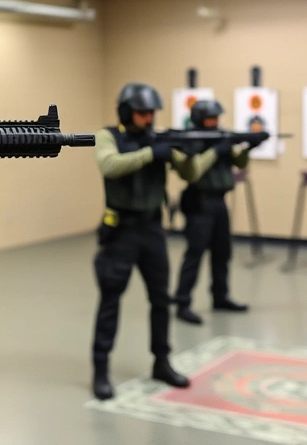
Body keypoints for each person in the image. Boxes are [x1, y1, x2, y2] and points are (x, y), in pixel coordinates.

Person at [90, 83, 193, 400]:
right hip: (121, 230)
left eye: (151, 113)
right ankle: (101, 370)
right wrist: (151, 153)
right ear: (125, 112)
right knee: (111, 301)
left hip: (152, 229)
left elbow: (189, 173)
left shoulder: (158, 136)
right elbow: (109, 165)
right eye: (141, 113)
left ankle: (161, 361)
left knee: (161, 299)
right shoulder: (108, 136)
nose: (148, 119)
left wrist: (187, 153)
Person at [172, 100, 256, 326]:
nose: (215, 122)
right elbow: (194, 169)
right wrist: (215, 150)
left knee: (222, 253)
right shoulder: (190, 140)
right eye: (211, 118)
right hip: (199, 202)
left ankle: (220, 297)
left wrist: (247, 147)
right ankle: (182, 302)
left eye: (216, 118)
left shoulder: (220, 136)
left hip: (219, 202)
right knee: (195, 254)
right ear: (199, 119)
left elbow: (239, 162)